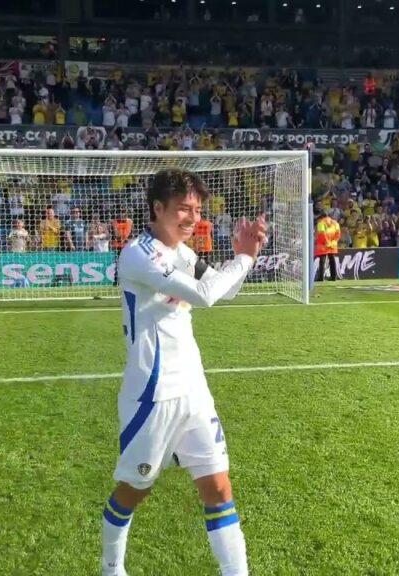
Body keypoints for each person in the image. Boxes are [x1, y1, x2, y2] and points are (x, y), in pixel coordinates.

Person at [102, 168, 266, 576]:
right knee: (133, 491)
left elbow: (224, 289)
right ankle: (111, 568)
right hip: (152, 394)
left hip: (193, 390)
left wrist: (245, 256)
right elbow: (208, 296)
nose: (192, 218)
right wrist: (243, 258)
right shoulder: (139, 253)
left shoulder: (185, 254)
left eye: (197, 210)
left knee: (218, 486)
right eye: (183, 210)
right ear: (158, 209)